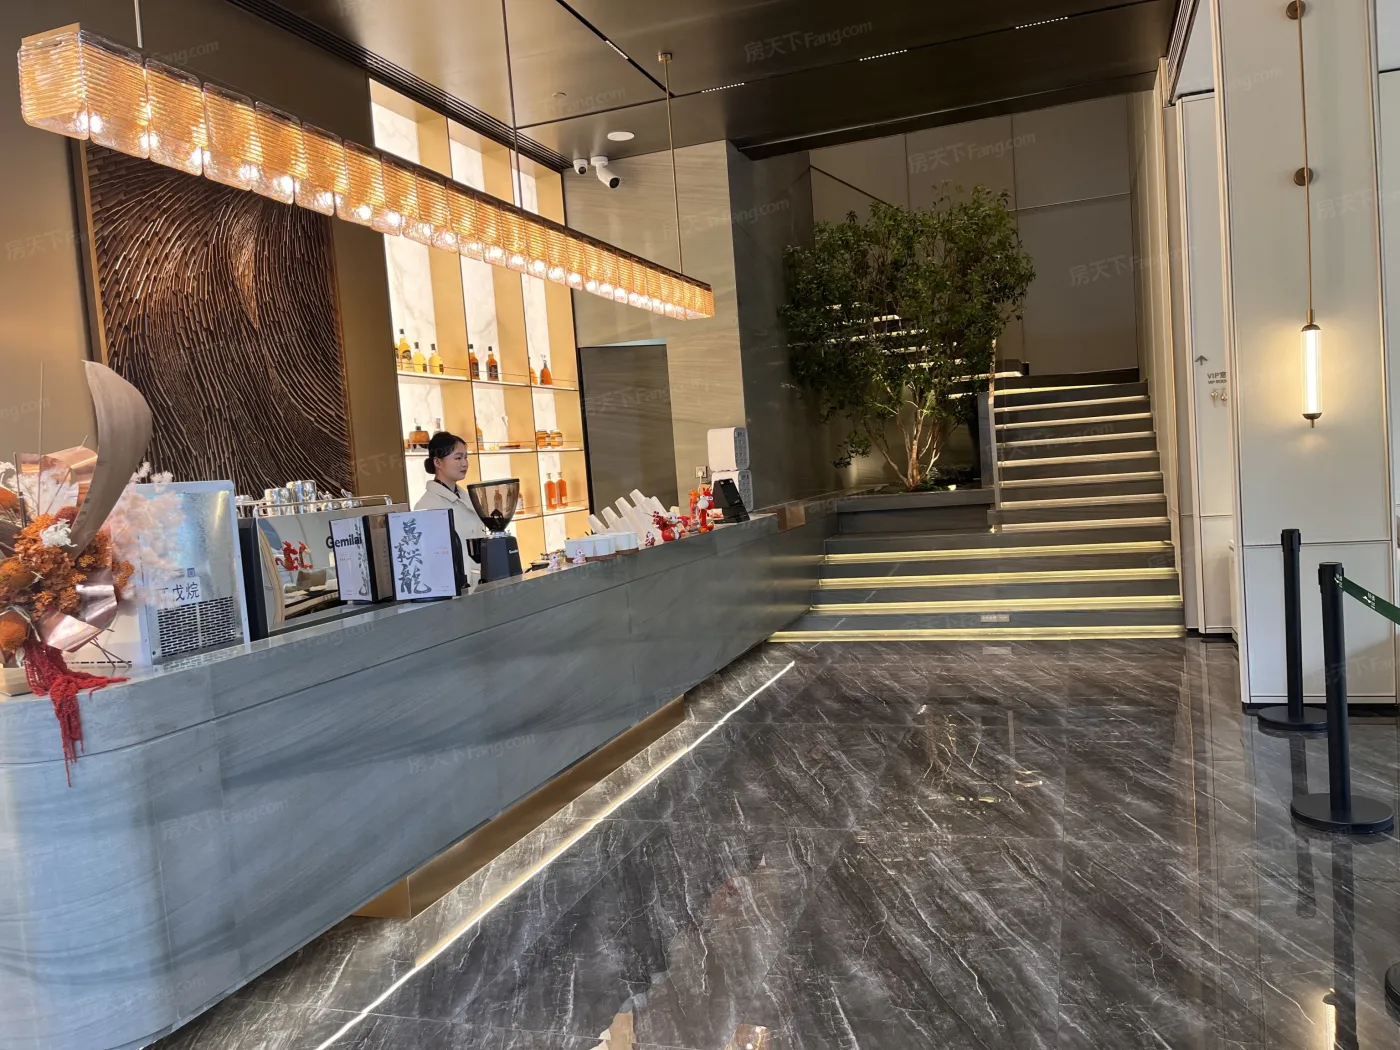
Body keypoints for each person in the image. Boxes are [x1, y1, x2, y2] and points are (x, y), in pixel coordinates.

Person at [414, 431, 490, 589]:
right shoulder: (428, 506)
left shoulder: (467, 497)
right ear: (438, 462)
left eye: (466, 457)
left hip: (480, 583)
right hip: (454, 589)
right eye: (458, 458)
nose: (465, 463)